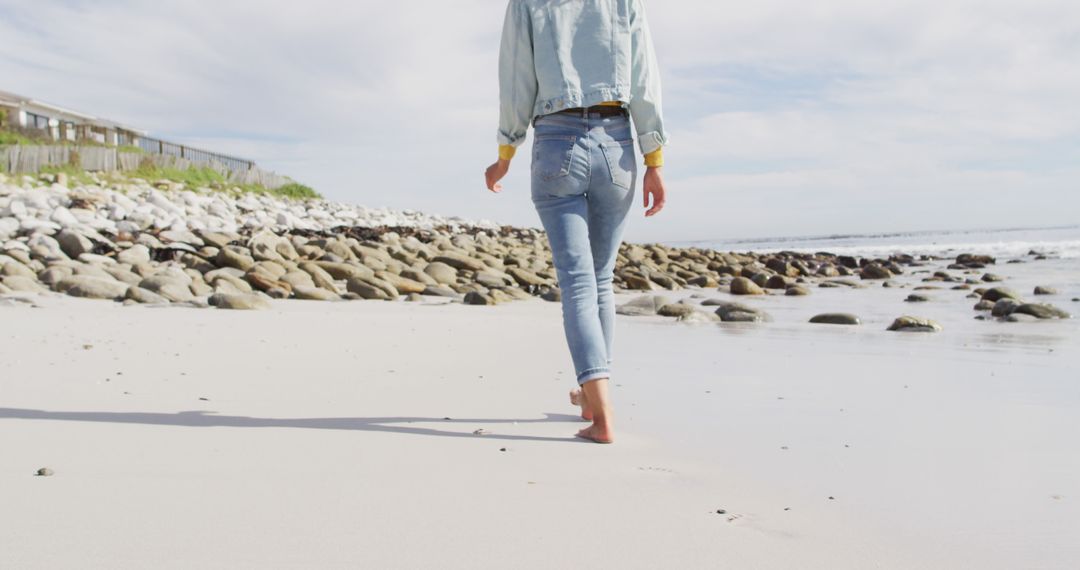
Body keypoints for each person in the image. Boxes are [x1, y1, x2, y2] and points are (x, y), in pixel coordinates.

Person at [485, 0, 668, 444]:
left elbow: (516, 77)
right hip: (618, 142)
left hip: (556, 139)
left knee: (579, 285)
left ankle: (601, 413)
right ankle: (589, 399)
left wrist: (505, 151)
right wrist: (654, 158)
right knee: (600, 280)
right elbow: (644, 76)